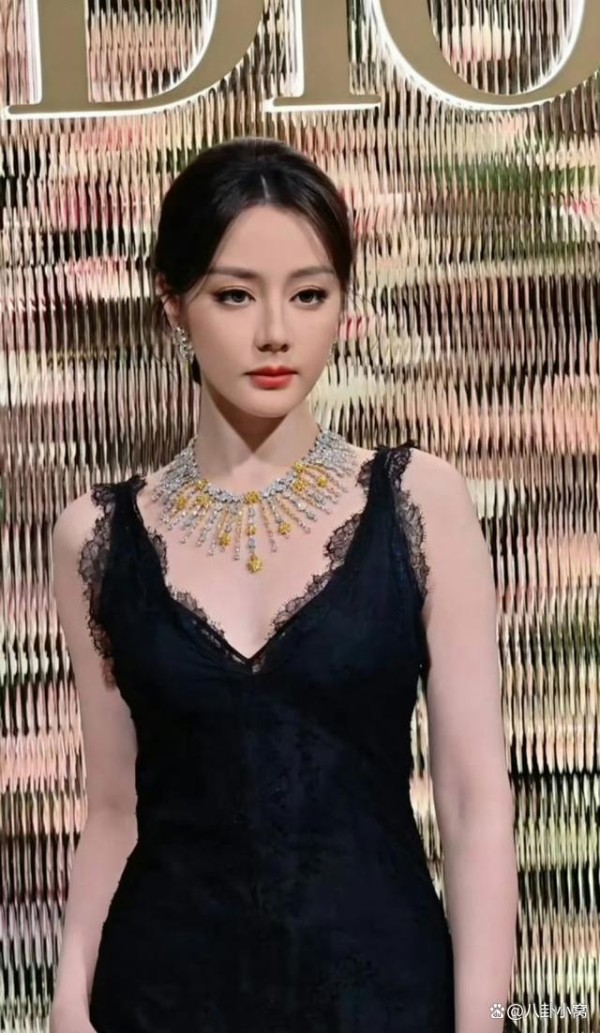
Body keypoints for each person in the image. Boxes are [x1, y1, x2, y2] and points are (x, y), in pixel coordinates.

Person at [49, 136, 519, 1033]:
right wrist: (71, 1001)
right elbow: (113, 807)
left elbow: (474, 801)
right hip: (160, 996)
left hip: (384, 997)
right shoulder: (96, 536)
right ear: (173, 303)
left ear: (342, 304)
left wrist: (487, 1017)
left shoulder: (419, 501)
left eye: (310, 294)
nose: (275, 331)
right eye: (235, 294)